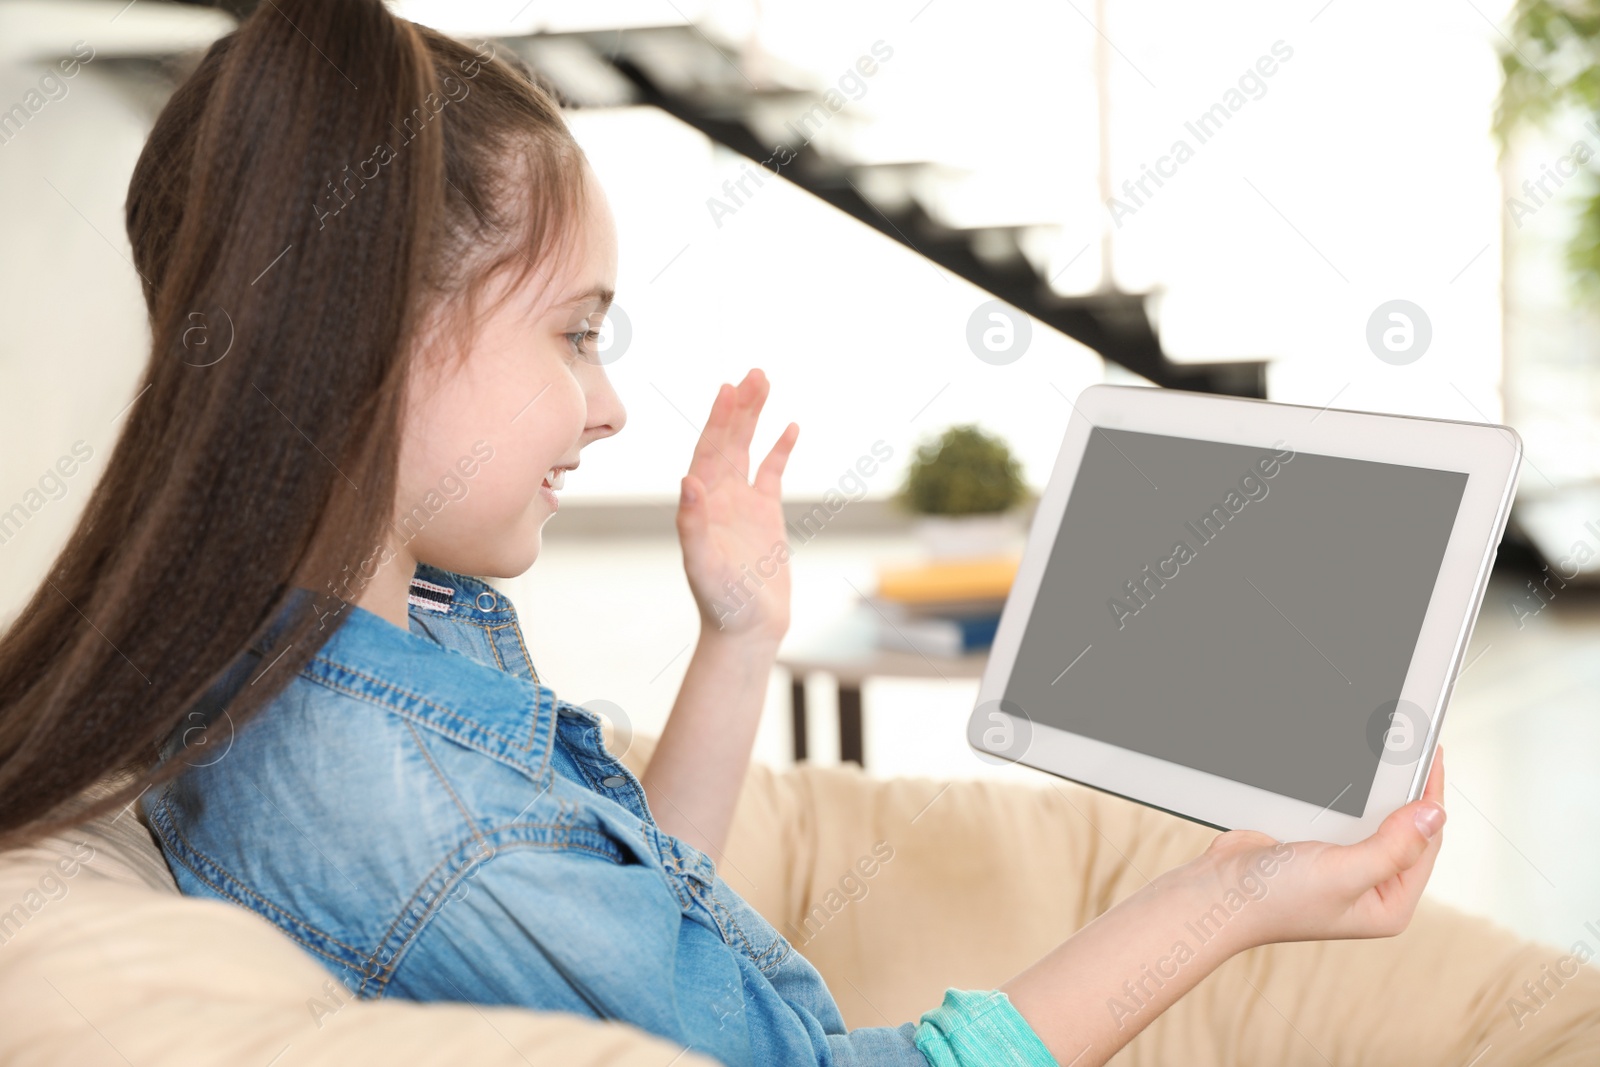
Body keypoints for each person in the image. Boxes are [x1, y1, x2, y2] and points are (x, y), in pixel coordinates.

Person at [0, 3, 1448, 1065]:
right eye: (575, 335)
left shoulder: (342, 655)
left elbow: (627, 936)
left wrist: (738, 636)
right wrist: (1229, 898)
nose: (611, 401)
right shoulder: (410, 812)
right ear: (376, 334)